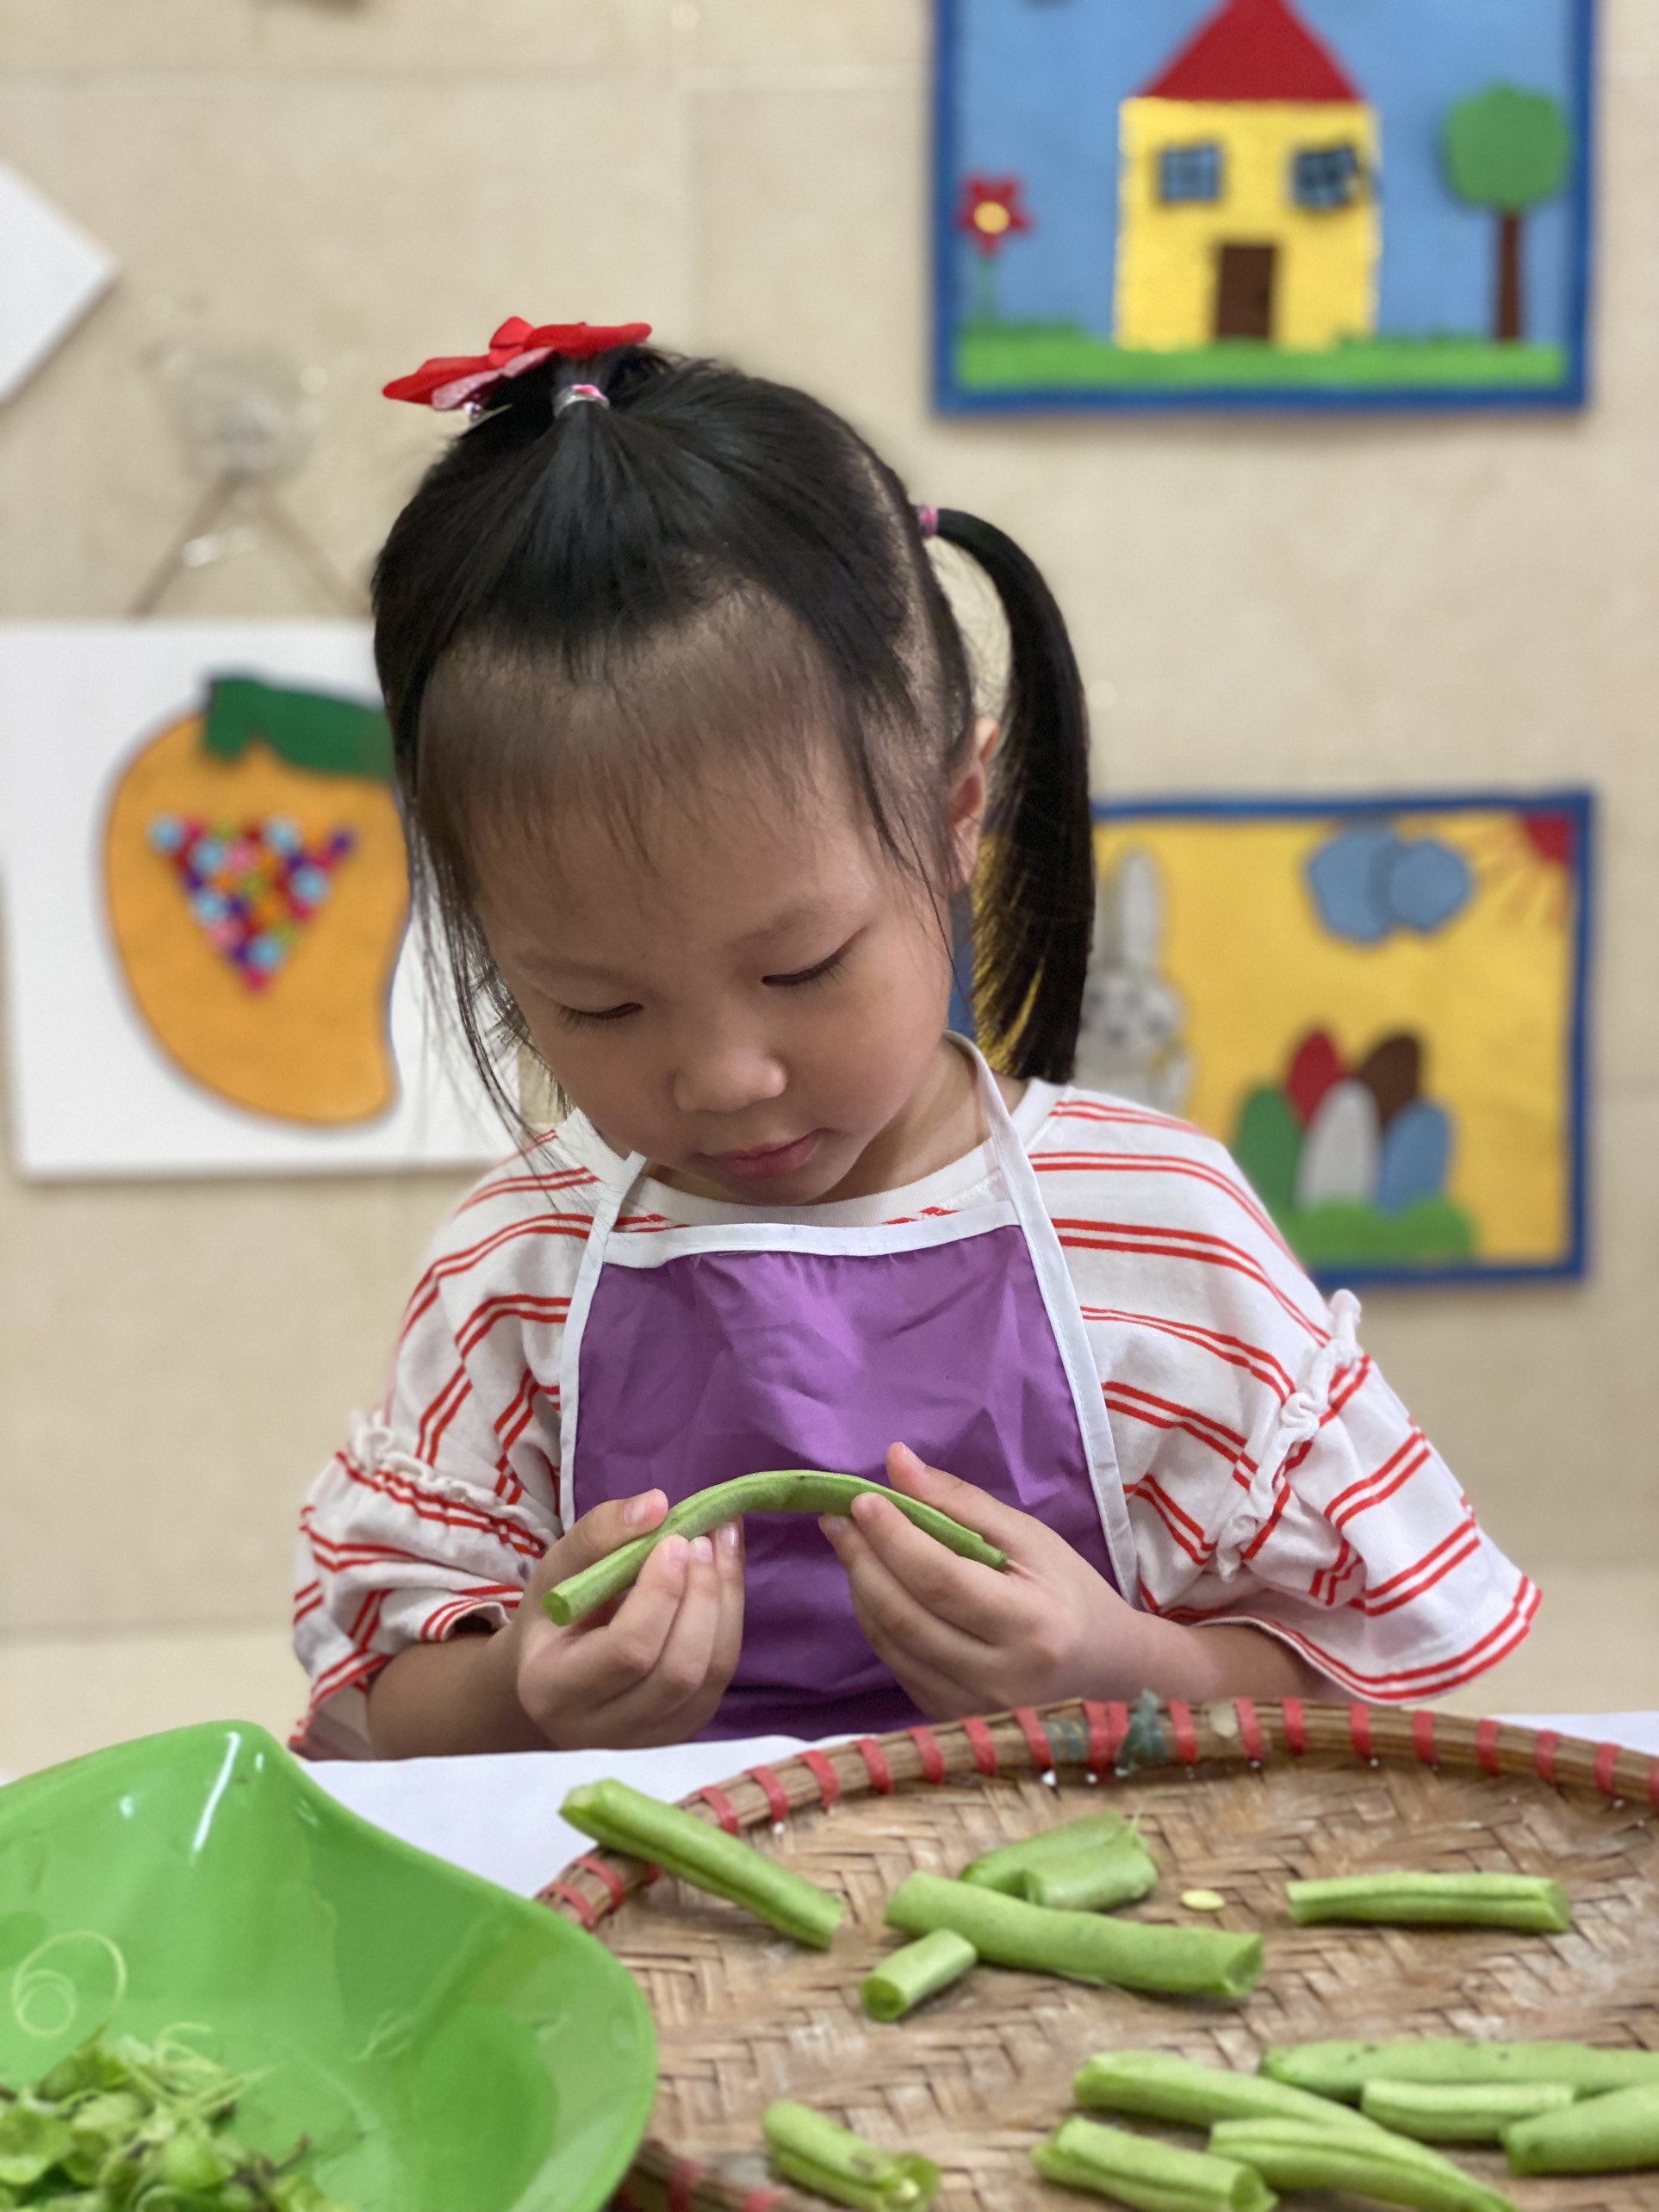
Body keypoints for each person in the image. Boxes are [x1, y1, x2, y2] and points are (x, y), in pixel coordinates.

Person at [293, 319, 1535, 1759]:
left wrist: (1120, 1667)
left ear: (958, 815)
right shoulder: (518, 1274)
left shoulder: (1159, 1233)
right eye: (598, 1007)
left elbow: (1385, 1681)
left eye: (803, 967)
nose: (724, 1078)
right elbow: (368, 1711)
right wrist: (517, 1688)